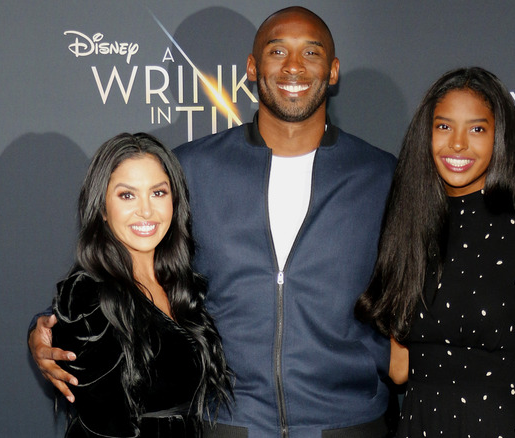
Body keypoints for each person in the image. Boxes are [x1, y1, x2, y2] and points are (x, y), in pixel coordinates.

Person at [30, 7, 397, 438]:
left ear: (332, 71)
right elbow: (127, 264)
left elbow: (425, 291)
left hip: (349, 422)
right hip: (228, 423)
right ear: (252, 67)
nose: (294, 66)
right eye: (278, 50)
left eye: (311, 52)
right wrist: (48, 332)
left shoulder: (382, 175)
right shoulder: (191, 168)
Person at [356, 67, 515, 437]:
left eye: (476, 129)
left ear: (500, 136)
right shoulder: (407, 227)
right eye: (443, 127)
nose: (457, 144)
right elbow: (399, 367)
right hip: (420, 426)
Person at [49, 133, 233, 437]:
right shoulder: (87, 298)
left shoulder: (183, 286)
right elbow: (103, 427)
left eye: (158, 193)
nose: (146, 211)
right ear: (103, 210)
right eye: (127, 195)